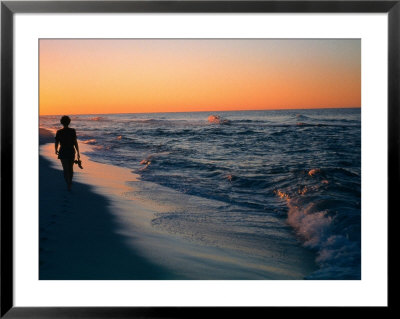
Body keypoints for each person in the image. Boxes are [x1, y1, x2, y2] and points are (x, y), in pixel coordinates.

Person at [55, 116, 80, 191]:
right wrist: (78, 152)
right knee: (70, 168)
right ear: (69, 122)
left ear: (61, 122)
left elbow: (57, 142)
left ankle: (68, 183)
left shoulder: (59, 132)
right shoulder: (72, 131)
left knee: (65, 169)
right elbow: (75, 142)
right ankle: (70, 182)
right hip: (71, 151)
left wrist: (55, 150)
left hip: (63, 151)